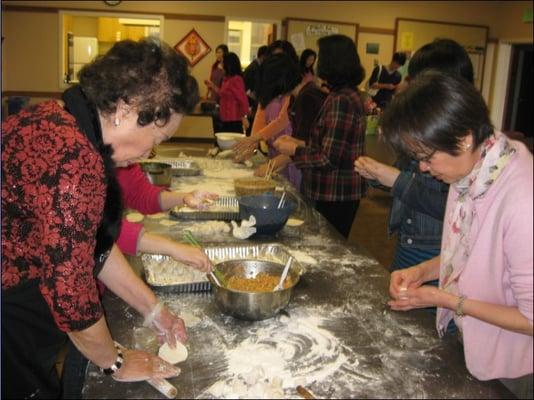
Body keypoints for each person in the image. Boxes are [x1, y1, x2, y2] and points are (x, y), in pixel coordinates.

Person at [2, 38, 198, 398]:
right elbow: (71, 293)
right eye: (157, 137)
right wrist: (116, 362)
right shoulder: (74, 161)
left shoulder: (59, 118)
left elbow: (92, 248)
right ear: (126, 107)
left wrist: (152, 309)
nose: (148, 153)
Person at [386, 70, 533, 399]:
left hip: (517, 366)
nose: (423, 168)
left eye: (427, 157)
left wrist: (445, 299)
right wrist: (422, 271)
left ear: (465, 137)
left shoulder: (523, 199)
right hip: (477, 343)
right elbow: (470, 249)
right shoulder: (472, 172)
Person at [354, 39, 475, 274]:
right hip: (407, 241)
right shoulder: (425, 126)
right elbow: (406, 174)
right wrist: (377, 174)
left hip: (437, 249)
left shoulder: (463, 142)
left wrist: (397, 181)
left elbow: (451, 206)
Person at [273, 34, 367, 238]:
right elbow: (330, 143)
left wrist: (294, 150)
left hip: (336, 194)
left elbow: (328, 158)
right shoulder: (340, 95)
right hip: (333, 192)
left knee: (328, 246)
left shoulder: (342, 100)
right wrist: (298, 142)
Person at [247, 53, 303, 189]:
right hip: (277, 162)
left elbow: (297, 144)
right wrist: (250, 145)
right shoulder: (272, 95)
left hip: (293, 165)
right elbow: (259, 126)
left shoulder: (295, 97)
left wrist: (271, 165)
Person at [206, 52, 249, 134]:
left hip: (234, 118)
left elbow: (242, 99)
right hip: (224, 117)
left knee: (232, 143)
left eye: (223, 62)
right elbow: (222, 93)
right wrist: (213, 86)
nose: (222, 64)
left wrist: (244, 116)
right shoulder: (226, 78)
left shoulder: (236, 79)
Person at [243, 45, 269, 135]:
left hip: (254, 101)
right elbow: (246, 88)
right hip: (251, 102)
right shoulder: (253, 68)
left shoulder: (258, 67)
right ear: (263, 56)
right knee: (251, 128)